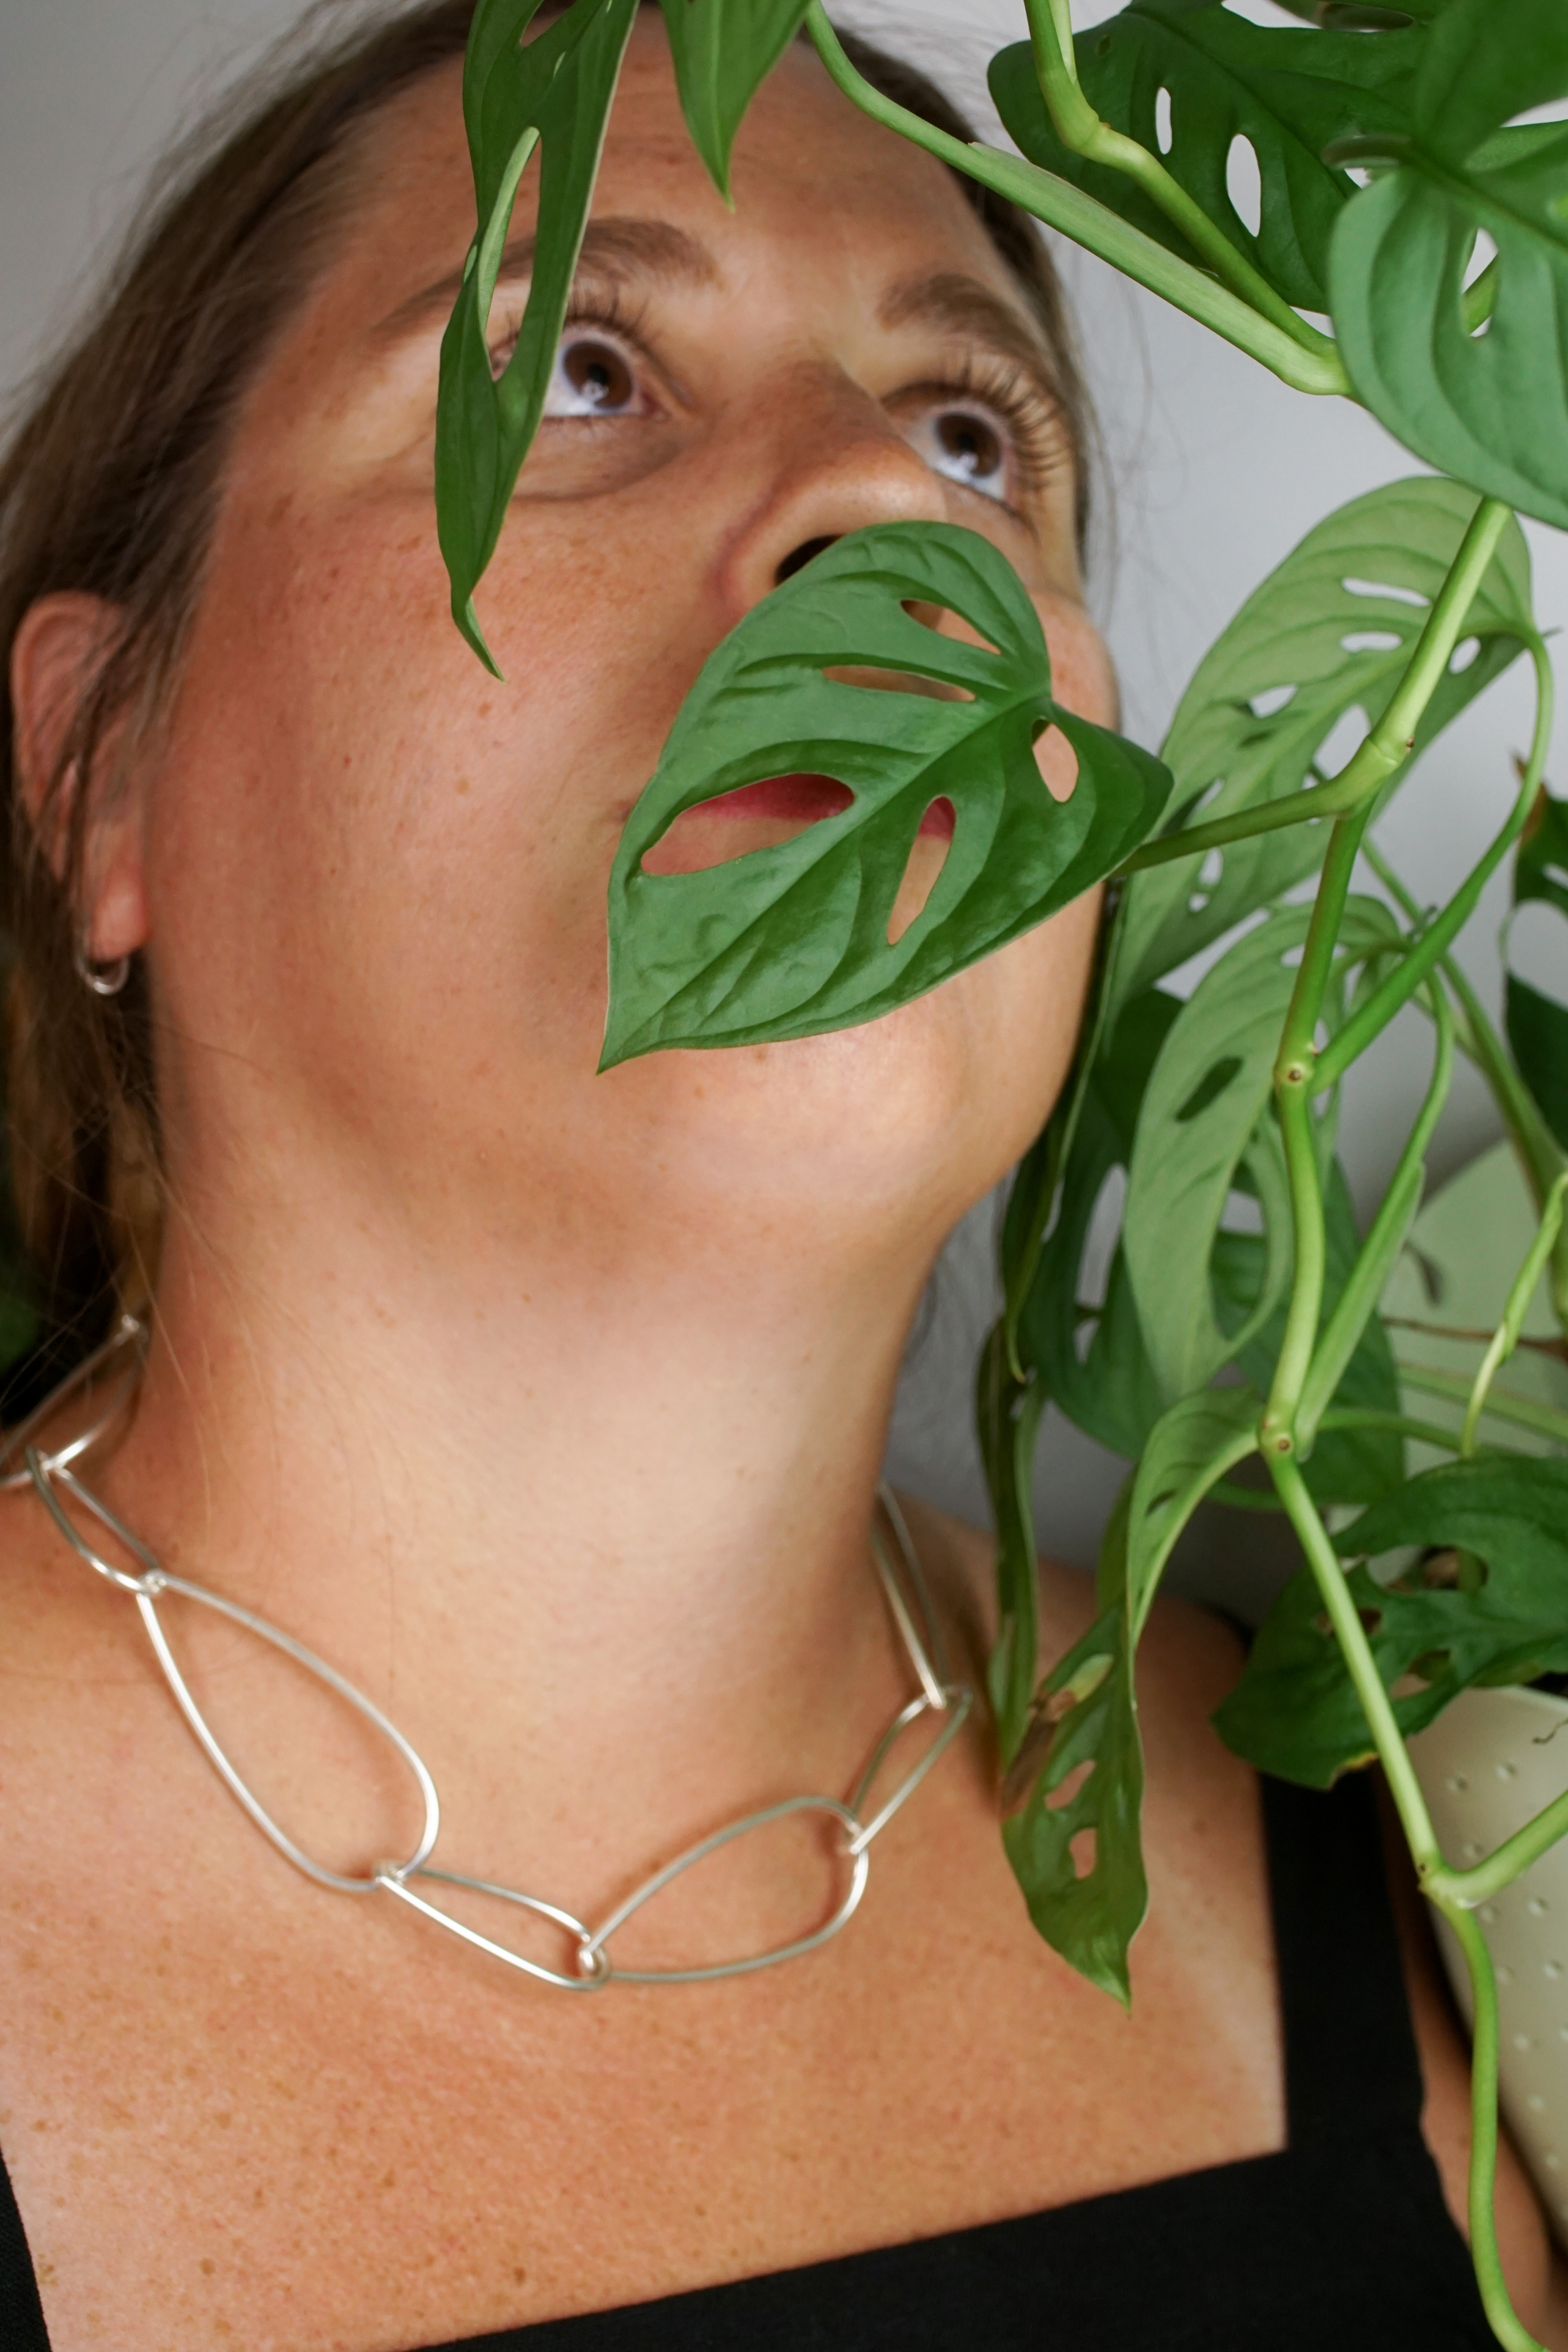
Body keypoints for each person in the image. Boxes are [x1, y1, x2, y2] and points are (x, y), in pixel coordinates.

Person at [0, 5, 1563, 2347]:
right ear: (100, 768)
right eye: (585, 375)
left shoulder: (1393, 1802)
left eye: (973, 435)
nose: (892, 510)